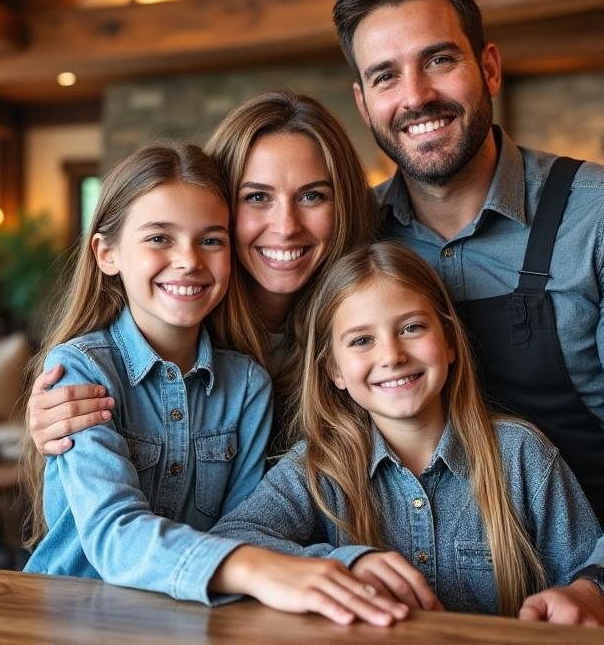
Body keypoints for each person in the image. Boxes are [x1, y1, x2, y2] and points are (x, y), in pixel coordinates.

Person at [331, 0, 604, 626]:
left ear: (489, 68)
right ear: (363, 102)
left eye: (438, 60)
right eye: (385, 76)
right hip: (401, 616)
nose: (415, 96)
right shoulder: (350, 236)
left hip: (588, 604)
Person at [20, 141, 407, 627]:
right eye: (159, 238)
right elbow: (113, 535)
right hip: (71, 617)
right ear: (107, 252)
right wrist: (253, 566)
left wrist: (343, 562)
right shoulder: (82, 371)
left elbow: (243, 529)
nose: (188, 260)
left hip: (187, 621)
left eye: (211, 240)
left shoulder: (246, 385)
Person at [210, 241, 600, 617]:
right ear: (333, 370)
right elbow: (230, 541)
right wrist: (344, 565)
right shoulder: (318, 467)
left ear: (449, 342)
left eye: (412, 328)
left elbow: (587, 584)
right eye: (362, 340)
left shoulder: (521, 455)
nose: (392, 356)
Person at [28, 92, 376, 457]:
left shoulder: (368, 323)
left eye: (312, 196)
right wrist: (59, 416)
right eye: (257, 197)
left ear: (343, 206)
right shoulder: (169, 324)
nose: (286, 226)